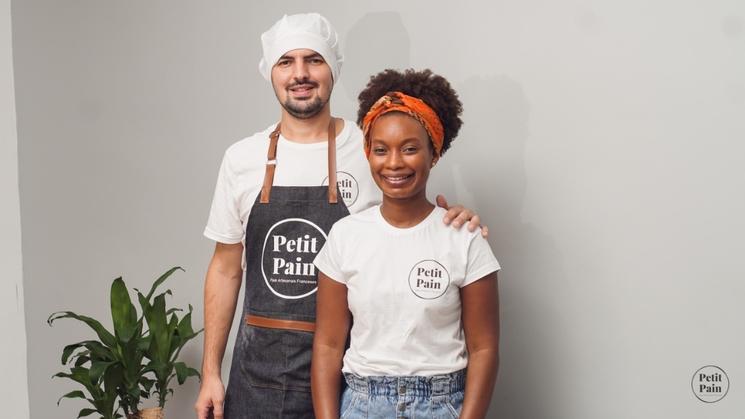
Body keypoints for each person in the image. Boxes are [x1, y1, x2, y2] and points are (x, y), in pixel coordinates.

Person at [195, 14, 485, 419]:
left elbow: (406, 214)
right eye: (286, 62)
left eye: (314, 59)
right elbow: (226, 269)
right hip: (255, 372)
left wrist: (455, 222)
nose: (300, 74)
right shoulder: (241, 159)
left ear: (333, 67)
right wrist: (210, 372)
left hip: (347, 378)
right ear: (270, 72)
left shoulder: (368, 145)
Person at [311, 69, 501, 419]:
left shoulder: (464, 238)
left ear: (435, 153)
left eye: (410, 149)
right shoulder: (345, 236)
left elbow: (484, 348)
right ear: (368, 153)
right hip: (362, 404)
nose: (394, 163)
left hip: (442, 405)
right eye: (381, 150)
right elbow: (328, 344)